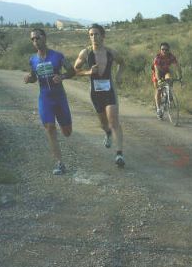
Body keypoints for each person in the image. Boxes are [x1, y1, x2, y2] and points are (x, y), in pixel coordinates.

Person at [24, 28, 75, 175]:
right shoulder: (32, 60)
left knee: (67, 132)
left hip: (59, 97)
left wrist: (62, 77)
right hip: (45, 98)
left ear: (44, 38)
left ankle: (64, 126)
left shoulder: (58, 56)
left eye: (37, 38)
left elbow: (72, 71)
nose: (35, 41)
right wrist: (29, 79)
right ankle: (59, 163)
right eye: (32, 39)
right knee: (50, 127)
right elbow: (34, 76)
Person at [74, 23, 125, 167]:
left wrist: (119, 75)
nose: (94, 37)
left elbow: (122, 63)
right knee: (104, 123)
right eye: (91, 34)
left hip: (109, 90)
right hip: (95, 93)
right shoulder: (85, 53)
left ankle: (119, 154)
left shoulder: (111, 52)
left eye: (96, 34)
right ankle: (107, 133)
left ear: (103, 36)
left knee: (114, 120)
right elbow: (75, 70)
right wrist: (88, 72)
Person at [152, 42, 182, 119]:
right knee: (158, 90)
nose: (164, 51)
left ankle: (169, 94)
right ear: (160, 50)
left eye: (166, 49)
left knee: (169, 79)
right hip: (157, 73)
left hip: (166, 72)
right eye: (163, 49)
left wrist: (180, 76)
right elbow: (157, 70)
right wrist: (159, 80)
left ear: (169, 50)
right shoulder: (158, 57)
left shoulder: (171, 56)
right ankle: (158, 109)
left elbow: (177, 66)